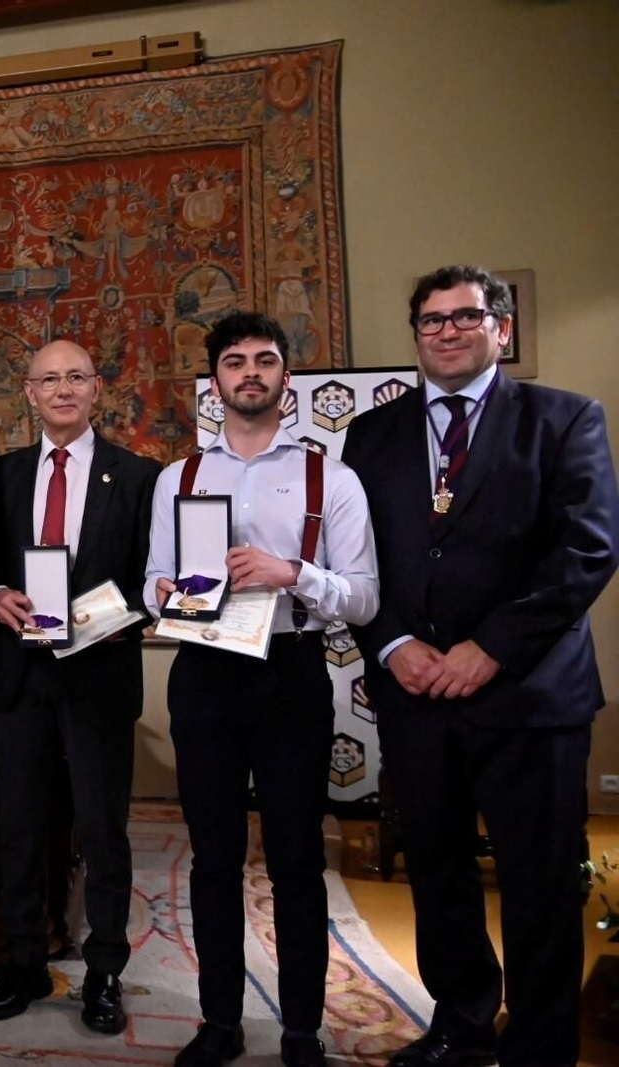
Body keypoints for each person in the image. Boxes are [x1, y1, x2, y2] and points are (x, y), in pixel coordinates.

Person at [342, 266, 618, 1067]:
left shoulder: (563, 418)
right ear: (417, 335)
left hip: (529, 694)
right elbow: (362, 561)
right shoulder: (373, 432)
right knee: (438, 873)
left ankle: (538, 1046)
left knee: (538, 883)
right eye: (430, 321)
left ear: (501, 327)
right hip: (418, 693)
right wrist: (394, 644)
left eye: (465, 317)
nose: (447, 331)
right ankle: (461, 1025)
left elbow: (588, 549)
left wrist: (489, 646)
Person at [143, 311, 378, 1067]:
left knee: (294, 857)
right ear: (214, 383)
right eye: (235, 362)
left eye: (265, 360)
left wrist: (292, 573)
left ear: (284, 378)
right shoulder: (178, 478)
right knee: (211, 855)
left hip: (289, 672)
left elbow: (366, 596)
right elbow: (152, 583)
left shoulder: (329, 476)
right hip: (205, 674)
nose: (250, 372)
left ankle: (302, 1027)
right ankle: (219, 1019)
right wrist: (171, 589)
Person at [0, 340, 158, 1032]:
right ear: (27, 391)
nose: (62, 389)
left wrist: (119, 615)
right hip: (19, 678)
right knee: (19, 828)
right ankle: (23, 961)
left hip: (100, 679)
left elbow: (155, 574)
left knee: (103, 831)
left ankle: (105, 970)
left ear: (96, 389)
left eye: (75, 376)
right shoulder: (0, 475)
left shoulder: (138, 476)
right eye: (48, 378)